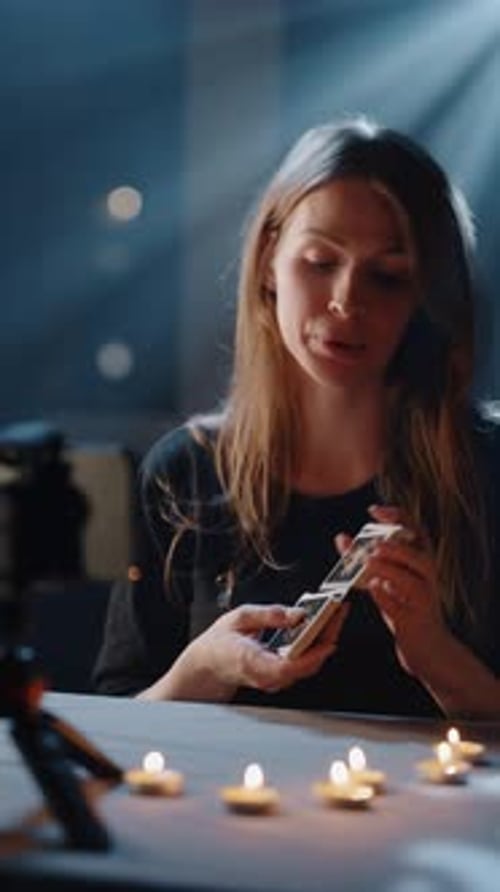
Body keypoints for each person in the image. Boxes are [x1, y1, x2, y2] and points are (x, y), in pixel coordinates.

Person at [94, 117, 500, 718]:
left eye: (387, 276)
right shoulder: (187, 471)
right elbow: (111, 726)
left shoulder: (487, 472)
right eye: (319, 261)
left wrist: (436, 657)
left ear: (426, 297)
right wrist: (203, 668)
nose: (346, 300)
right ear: (267, 265)